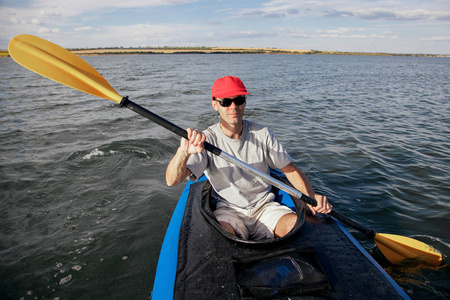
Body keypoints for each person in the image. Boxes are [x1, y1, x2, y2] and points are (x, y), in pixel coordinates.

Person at [166, 76, 332, 240]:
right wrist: (183, 152)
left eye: (238, 100)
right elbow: (171, 180)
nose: (233, 107)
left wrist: (311, 197)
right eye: (226, 102)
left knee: (296, 228)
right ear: (215, 104)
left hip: (265, 207)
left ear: (244, 102)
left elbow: (290, 170)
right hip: (229, 210)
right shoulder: (206, 141)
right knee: (221, 238)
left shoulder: (263, 134)